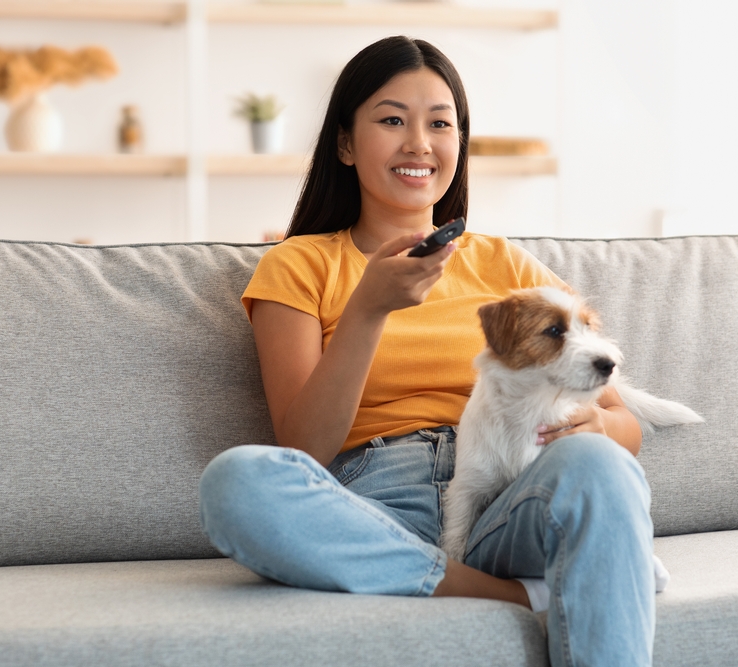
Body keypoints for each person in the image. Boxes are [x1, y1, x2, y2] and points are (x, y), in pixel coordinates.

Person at [198, 36, 656, 667]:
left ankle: (465, 581)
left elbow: (621, 428)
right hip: (376, 504)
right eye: (392, 120)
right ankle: (516, 597)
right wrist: (368, 308)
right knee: (237, 481)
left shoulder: (505, 265)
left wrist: (598, 424)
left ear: (459, 144)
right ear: (345, 144)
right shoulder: (300, 263)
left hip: (508, 490)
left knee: (602, 468)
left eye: (440, 124)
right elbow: (301, 449)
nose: (419, 143)